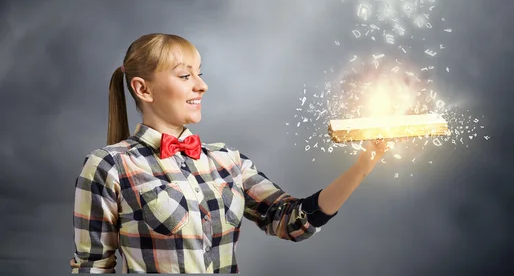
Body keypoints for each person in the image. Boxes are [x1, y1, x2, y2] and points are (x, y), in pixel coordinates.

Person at [70, 33, 389, 273]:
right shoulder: (109, 166)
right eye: (185, 76)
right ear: (143, 89)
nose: (201, 86)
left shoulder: (229, 162)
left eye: (200, 74)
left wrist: (363, 166)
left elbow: (292, 222)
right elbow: (92, 268)